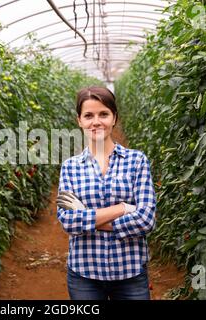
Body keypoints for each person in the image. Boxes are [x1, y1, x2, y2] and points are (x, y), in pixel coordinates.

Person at [56, 86, 156, 300]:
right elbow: (68, 222)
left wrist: (86, 215)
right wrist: (122, 209)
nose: (96, 122)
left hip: (130, 272)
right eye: (88, 115)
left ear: (114, 118)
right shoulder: (70, 167)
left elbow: (146, 220)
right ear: (79, 121)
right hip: (84, 274)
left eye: (103, 114)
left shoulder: (137, 161)